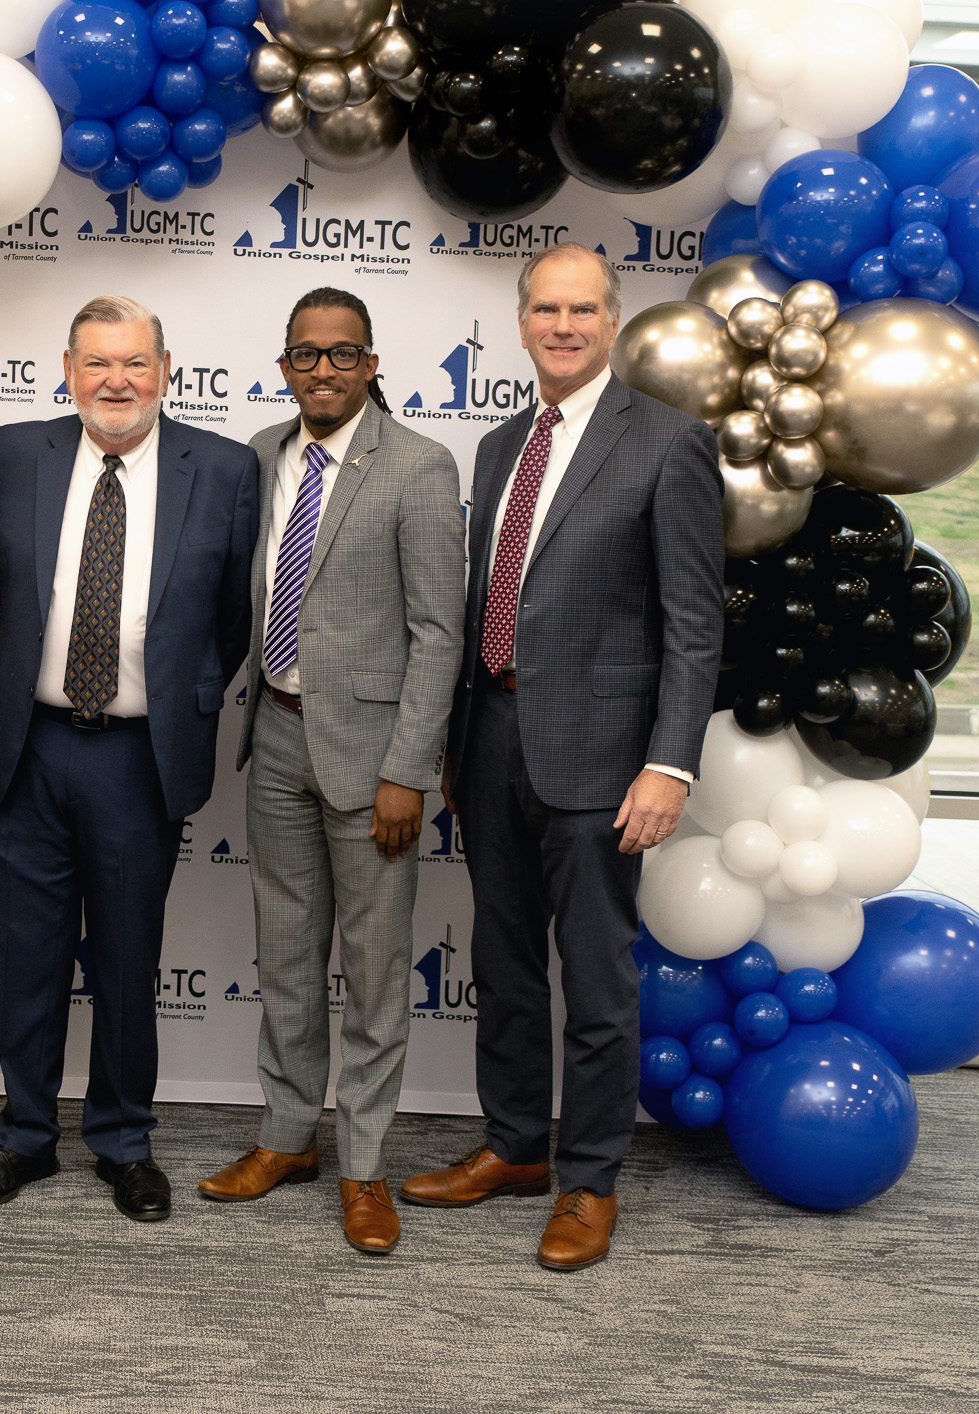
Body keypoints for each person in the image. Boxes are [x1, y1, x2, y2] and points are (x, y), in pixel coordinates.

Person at [402, 244, 723, 1270]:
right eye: (546, 309)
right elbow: (486, 602)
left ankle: (588, 1180)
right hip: (491, 743)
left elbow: (694, 623)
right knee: (502, 967)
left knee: (595, 982)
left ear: (612, 321)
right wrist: (455, 744)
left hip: (603, 761)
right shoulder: (500, 443)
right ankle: (513, 1148)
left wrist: (669, 764)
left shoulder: (668, 441)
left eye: (583, 309)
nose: (563, 326)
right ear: (522, 321)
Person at [0, 295, 259, 1223]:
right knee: (26, 955)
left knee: (127, 961)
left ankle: (125, 1141)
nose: (116, 381)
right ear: (67, 370)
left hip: (137, 756)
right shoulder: (14, 454)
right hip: (27, 746)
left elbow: (231, 621)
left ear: (165, 370)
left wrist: (173, 697)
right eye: (96, 363)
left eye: (134, 363)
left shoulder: (224, 468)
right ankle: (24, 1134)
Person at [196, 288, 464, 1255]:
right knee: (286, 957)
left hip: (374, 760)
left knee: (377, 972)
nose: (323, 370)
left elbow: (439, 633)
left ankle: (364, 1165)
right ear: (284, 366)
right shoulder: (262, 454)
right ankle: (286, 1137)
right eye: (305, 354)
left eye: (342, 354)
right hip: (275, 735)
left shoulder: (420, 466)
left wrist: (409, 771)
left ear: (372, 364)